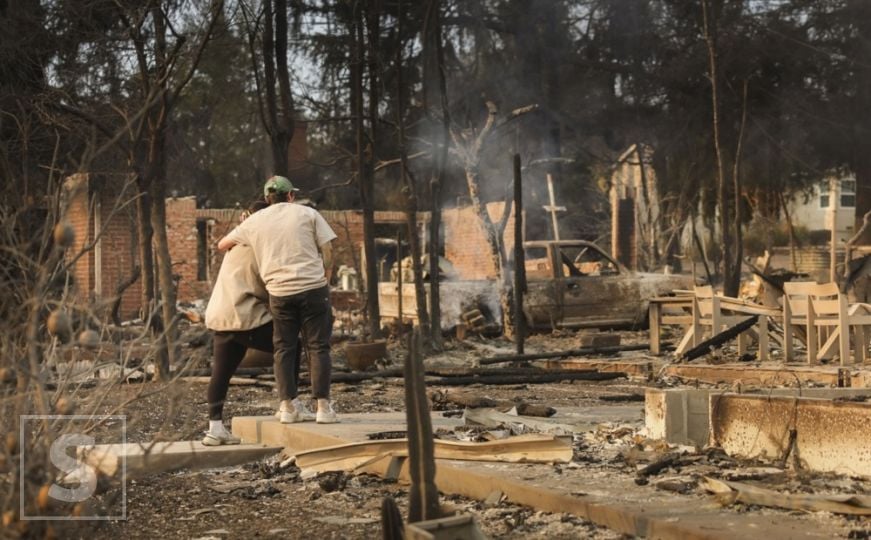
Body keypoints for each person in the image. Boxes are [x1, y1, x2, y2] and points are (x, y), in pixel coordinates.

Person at [218, 175, 338, 424]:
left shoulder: (256, 221)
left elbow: (222, 244)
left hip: (280, 293)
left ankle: (287, 407)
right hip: (313, 288)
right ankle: (323, 409)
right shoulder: (307, 213)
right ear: (291, 196)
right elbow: (327, 249)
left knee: (284, 347)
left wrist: (245, 227)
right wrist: (326, 279)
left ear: (266, 198)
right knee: (318, 347)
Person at [202, 200, 314, 445]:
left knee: (221, 372)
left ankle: (215, 428)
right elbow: (272, 283)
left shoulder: (237, 242)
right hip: (245, 314)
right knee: (289, 346)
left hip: (222, 315)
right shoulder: (260, 244)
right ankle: (290, 403)